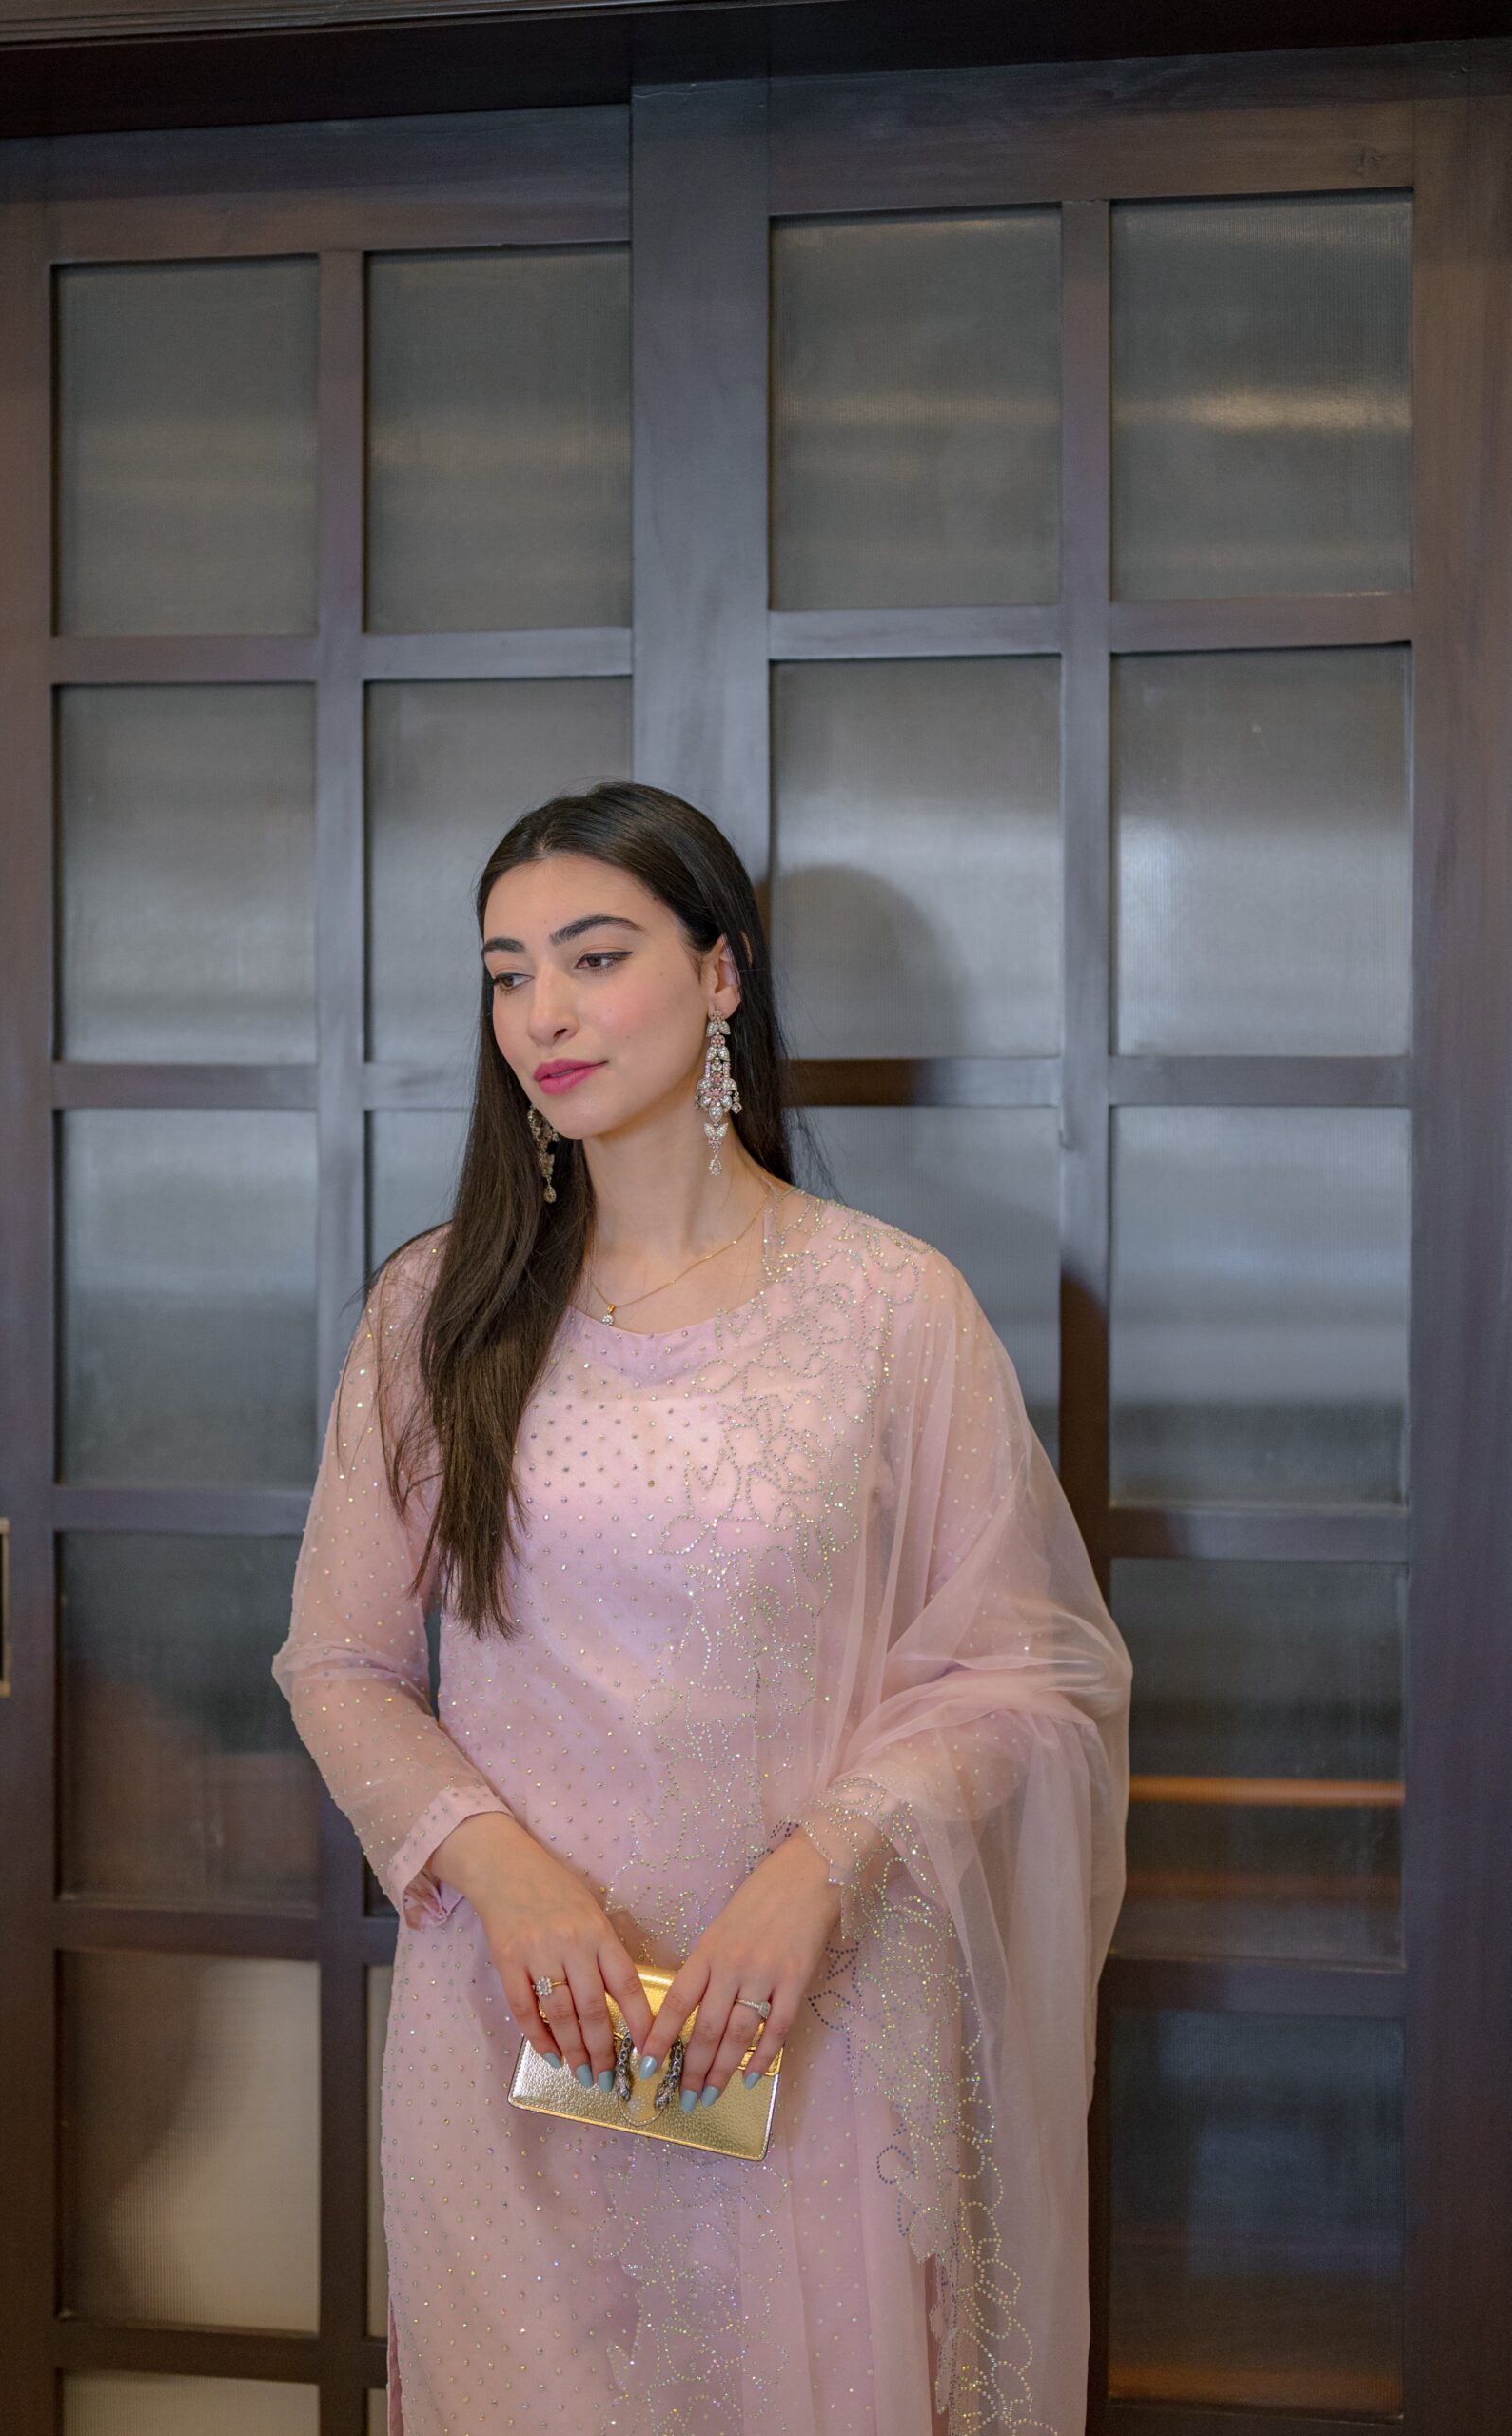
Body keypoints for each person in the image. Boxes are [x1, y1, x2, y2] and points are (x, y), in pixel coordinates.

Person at [271, 779, 1131, 2436]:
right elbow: (340, 1658)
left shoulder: (893, 1309)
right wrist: (497, 1866)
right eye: (508, 973)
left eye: (595, 958)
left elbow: (1028, 1670)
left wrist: (819, 1871)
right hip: (521, 2029)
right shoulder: (438, 1311)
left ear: (721, 971)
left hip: (805, 2027)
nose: (543, 1013)